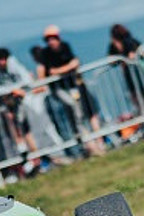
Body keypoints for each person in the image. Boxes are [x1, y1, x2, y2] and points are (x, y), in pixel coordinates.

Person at [38, 25, 105, 155]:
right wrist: (68, 68)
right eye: (48, 39)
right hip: (60, 89)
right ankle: (89, 145)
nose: (51, 41)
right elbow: (52, 71)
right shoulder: (45, 54)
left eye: (53, 38)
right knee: (75, 113)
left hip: (75, 85)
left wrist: (66, 69)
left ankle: (99, 142)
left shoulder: (65, 47)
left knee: (89, 112)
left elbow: (75, 62)